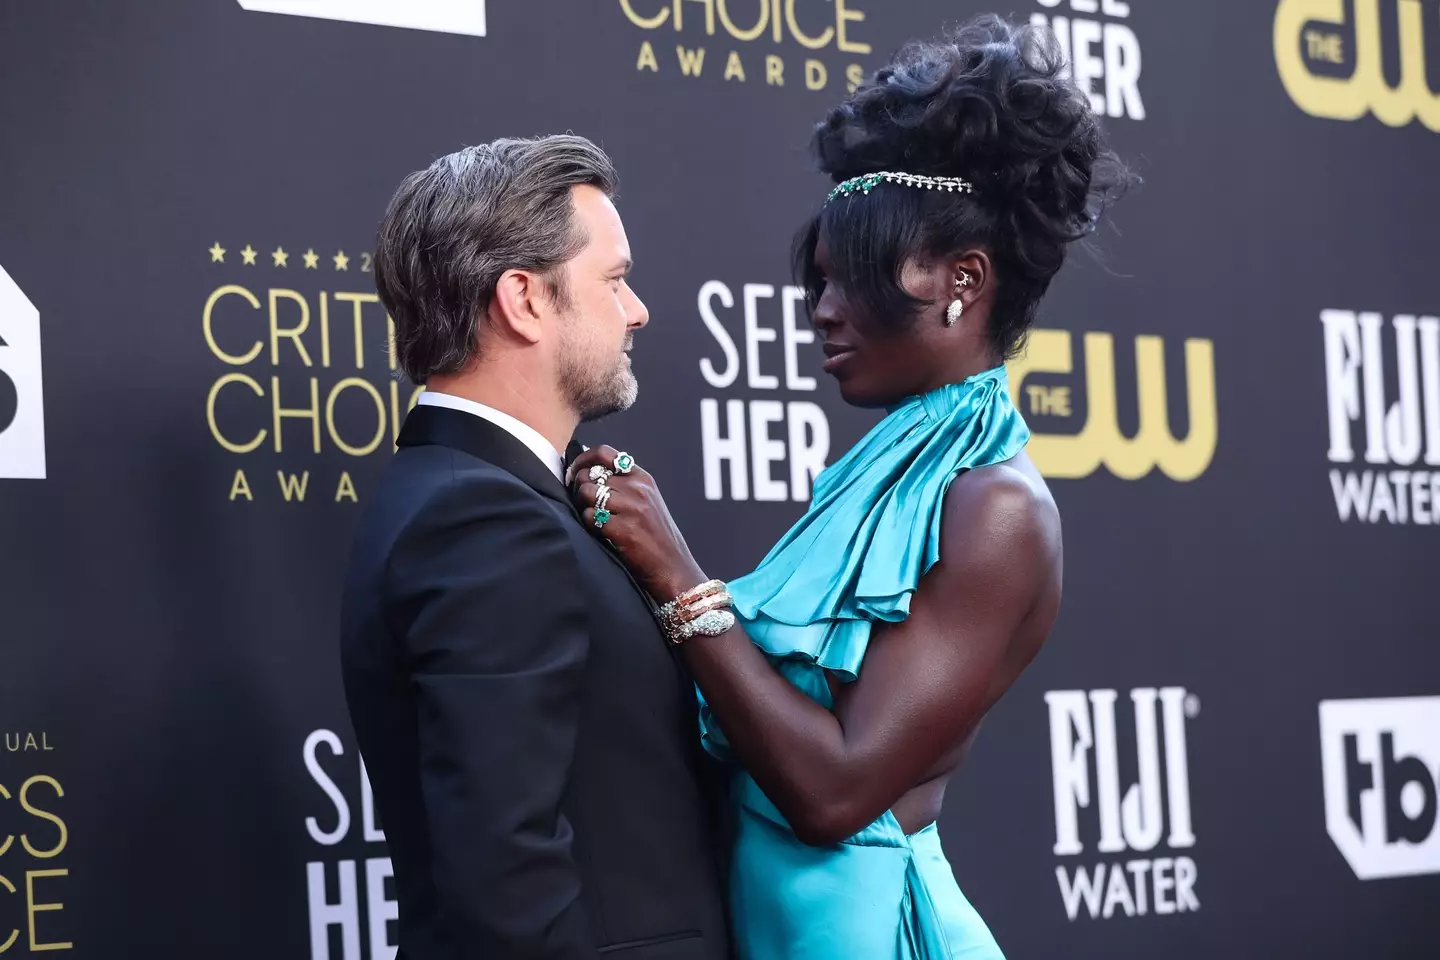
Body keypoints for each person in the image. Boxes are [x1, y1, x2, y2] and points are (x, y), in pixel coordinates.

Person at [566, 17, 1132, 959]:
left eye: (854, 279)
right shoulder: (885, 476)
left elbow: (833, 792)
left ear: (964, 281)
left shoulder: (995, 508)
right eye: (818, 281)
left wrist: (672, 569)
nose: (823, 312)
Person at [340, 136, 730, 959]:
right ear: (523, 300)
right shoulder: (479, 520)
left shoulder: (485, 500)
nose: (638, 311)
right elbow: (505, 884)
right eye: (615, 281)